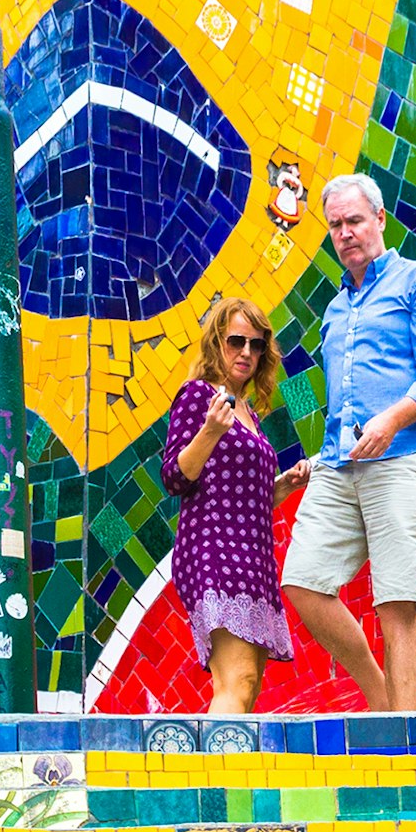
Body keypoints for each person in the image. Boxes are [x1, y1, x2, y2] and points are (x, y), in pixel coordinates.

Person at [280, 173, 416, 711]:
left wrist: (390, 421)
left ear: (380, 220)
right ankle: (383, 700)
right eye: (335, 225)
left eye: (354, 221)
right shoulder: (335, 310)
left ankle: (403, 738)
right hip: (339, 465)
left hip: (403, 458)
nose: (345, 233)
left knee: (396, 603)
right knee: (302, 580)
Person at [155, 294, 296, 710]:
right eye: (237, 341)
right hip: (215, 552)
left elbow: (236, 494)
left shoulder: (248, 410)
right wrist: (210, 432)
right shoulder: (199, 397)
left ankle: (224, 771)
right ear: (217, 342)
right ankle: (211, 777)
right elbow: (174, 477)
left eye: (257, 344)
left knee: (246, 687)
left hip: (254, 558)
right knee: (237, 678)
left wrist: (281, 487)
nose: (247, 352)